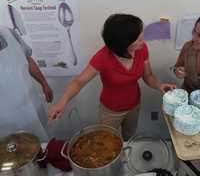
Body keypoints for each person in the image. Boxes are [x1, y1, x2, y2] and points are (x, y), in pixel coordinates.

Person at [48, 13, 176, 140]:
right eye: (139, 39)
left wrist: (159, 85)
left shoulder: (142, 49)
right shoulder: (102, 58)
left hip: (134, 105)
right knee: (108, 140)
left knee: (128, 137)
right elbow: (79, 81)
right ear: (123, 44)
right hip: (111, 110)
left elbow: (148, 75)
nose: (143, 41)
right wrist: (62, 102)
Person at [0, 26, 53, 142]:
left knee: (42, 143)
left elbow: (27, 59)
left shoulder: (8, 32)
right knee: (11, 151)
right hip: (4, 117)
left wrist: (44, 83)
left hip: (31, 104)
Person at [174, 17, 200, 93]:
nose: (194, 38)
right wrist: (177, 71)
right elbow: (177, 66)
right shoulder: (188, 46)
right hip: (187, 92)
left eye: (199, 35)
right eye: (194, 31)